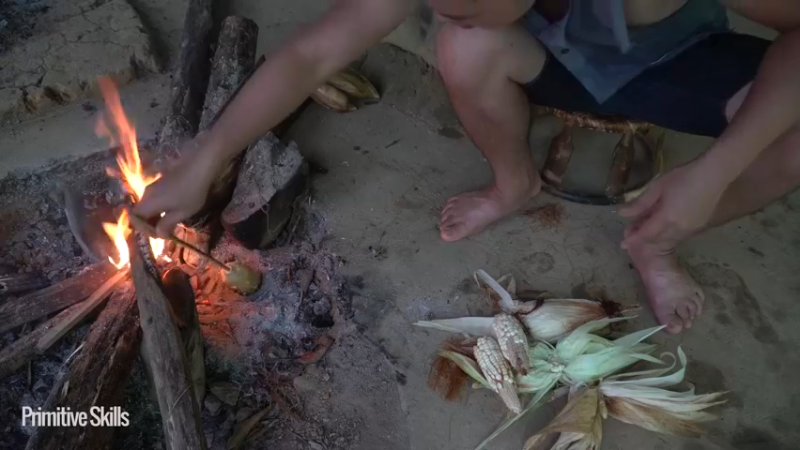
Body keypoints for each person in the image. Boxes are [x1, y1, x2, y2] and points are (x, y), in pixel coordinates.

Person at [135, 0, 800, 334]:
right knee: (464, 45)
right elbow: (311, 56)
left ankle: (658, 239)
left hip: (677, 63)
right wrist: (210, 155)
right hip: (559, 57)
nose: (442, 6)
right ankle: (514, 182)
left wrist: (716, 170)